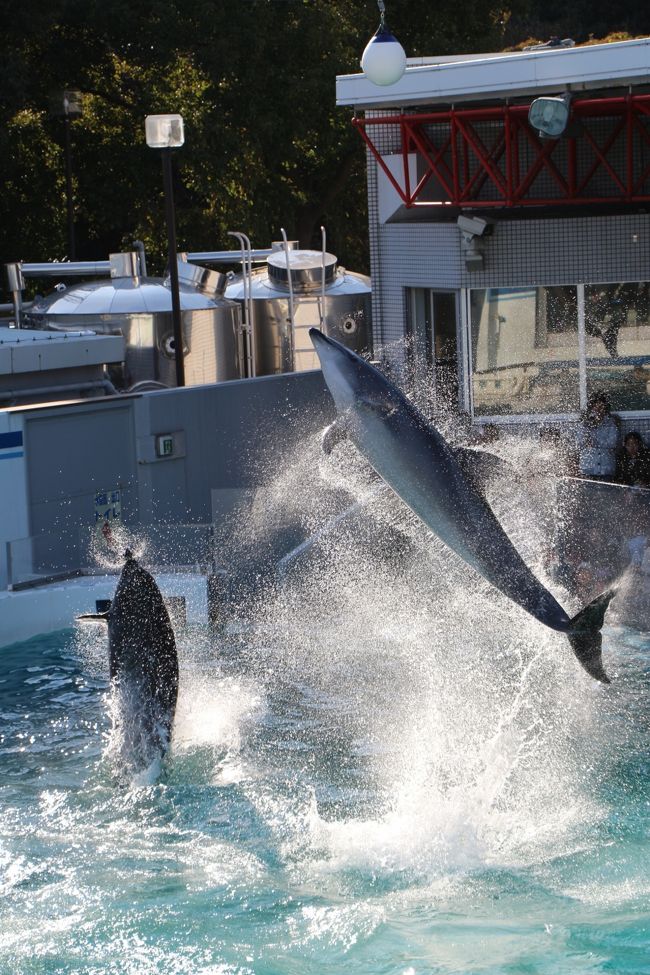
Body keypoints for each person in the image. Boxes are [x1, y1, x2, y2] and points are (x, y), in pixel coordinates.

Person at [575, 392, 619, 480]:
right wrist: (590, 425)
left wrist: (594, 442)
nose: (598, 410)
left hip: (606, 468)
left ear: (606, 408)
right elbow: (580, 443)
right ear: (591, 407)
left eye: (601, 406)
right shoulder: (584, 423)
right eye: (596, 406)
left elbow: (612, 443)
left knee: (607, 493)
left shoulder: (611, 423)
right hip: (587, 468)